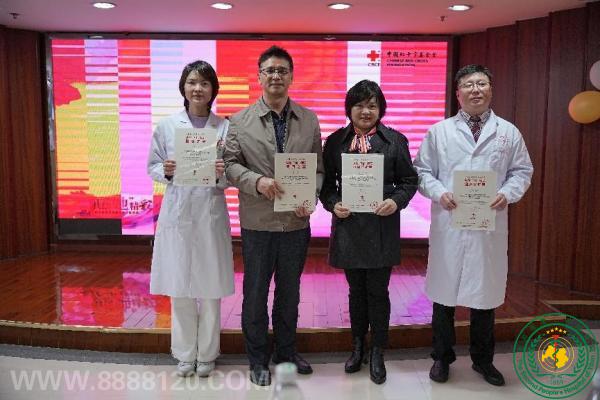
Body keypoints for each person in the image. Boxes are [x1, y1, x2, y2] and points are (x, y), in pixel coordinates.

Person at [414, 64, 533, 386]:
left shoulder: (508, 132)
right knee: (444, 295)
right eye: (468, 85)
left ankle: (483, 360)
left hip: (487, 226)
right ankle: (441, 358)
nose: (475, 90)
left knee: (485, 297)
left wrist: (507, 193)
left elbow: (522, 171)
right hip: (450, 223)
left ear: (491, 90)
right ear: (458, 93)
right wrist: (440, 193)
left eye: (481, 83)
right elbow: (422, 171)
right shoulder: (439, 132)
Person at [223, 45, 324, 386]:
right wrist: (257, 181)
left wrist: (310, 196)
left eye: (282, 70)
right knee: (255, 293)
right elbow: (230, 166)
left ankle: (285, 352)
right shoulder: (239, 121)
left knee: (289, 294)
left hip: (296, 222)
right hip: (258, 223)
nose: (276, 76)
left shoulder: (309, 119)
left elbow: (318, 169)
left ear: (292, 77)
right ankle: (257, 358)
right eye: (270, 70)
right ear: (259, 77)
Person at [319, 80, 418, 384]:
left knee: (378, 292)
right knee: (355, 292)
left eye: (372, 105)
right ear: (349, 108)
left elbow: (409, 182)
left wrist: (395, 202)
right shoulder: (335, 142)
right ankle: (358, 346)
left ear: (380, 109)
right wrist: (333, 204)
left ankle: (377, 351)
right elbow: (326, 186)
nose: (365, 111)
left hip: (381, 227)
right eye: (359, 105)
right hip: (349, 227)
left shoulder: (395, 141)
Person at [147, 60, 234, 378]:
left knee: (210, 288)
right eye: (192, 82)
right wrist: (166, 171)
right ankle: (185, 354)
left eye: (204, 83)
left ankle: (208, 354)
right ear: (183, 87)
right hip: (179, 213)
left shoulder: (225, 127)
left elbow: (233, 172)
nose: (198, 89)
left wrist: (223, 173)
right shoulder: (167, 126)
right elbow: (152, 165)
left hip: (210, 212)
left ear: (213, 90)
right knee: (179, 286)